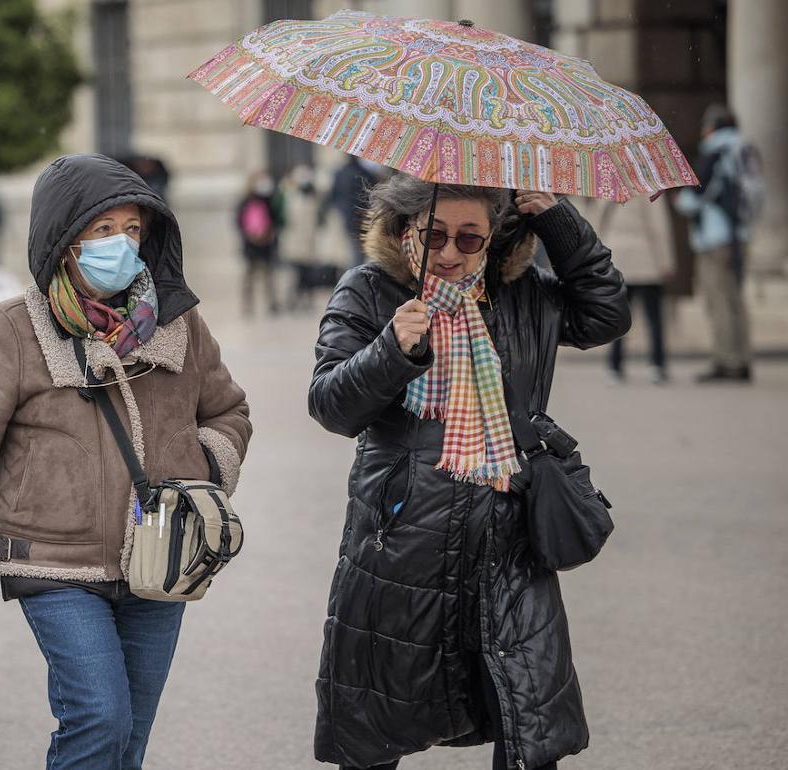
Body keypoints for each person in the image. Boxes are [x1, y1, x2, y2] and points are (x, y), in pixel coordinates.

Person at [0, 153, 252, 770]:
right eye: (102, 230)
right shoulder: (9, 331)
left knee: (129, 741)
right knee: (99, 717)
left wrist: (197, 469)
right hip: (54, 568)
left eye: (133, 230)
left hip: (162, 566)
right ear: (65, 241)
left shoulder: (178, 322)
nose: (122, 244)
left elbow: (229, 412)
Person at [308, 176, 630, 770]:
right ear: (405, 230)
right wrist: (391, 350)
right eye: (433, 236)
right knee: (377, 722)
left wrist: (560, 221)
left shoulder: (521, 294)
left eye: (469, 239)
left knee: (527, 723)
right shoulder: (371, 291)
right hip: (402, 541)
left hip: (510, 537)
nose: (450, 253)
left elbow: (606, 316)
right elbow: (330, 406)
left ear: (493, 241)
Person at [674, 104, 758, 383]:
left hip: (715, 237)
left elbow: (696, 196)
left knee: (718, 300)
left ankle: (726, 361)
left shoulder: (716, 151)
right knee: (735, 299)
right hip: (739, 235)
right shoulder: (745, 150)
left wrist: (682, 202)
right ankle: (742, 358)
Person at [597, 196, 674, 383]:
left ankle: (615, 366)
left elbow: (597, 222)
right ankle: (657, 365)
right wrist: (666, 262)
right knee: (654, 318)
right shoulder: (651, 190)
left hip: (618, 258)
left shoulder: (609, 187)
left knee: (618, 317)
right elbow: (659, 227)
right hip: (646, 257)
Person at [327, 155, 391, 268]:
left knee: (353, 252)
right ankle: (355, 274)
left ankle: (352, 273)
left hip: (347, 217)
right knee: (359, 252)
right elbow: (374, 194)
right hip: (362, 217)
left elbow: (333, 197)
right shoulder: (365, 173)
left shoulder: (340, 173)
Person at [236, 170, 285, 316]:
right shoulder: (245, 201)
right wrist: (249, 235)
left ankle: (272, 304)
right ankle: (247, 307)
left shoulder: (270, 200)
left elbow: (277, 220)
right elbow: (239, 222)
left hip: (266, 245)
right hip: (251, 246)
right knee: (249, 277)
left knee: (269, 276)